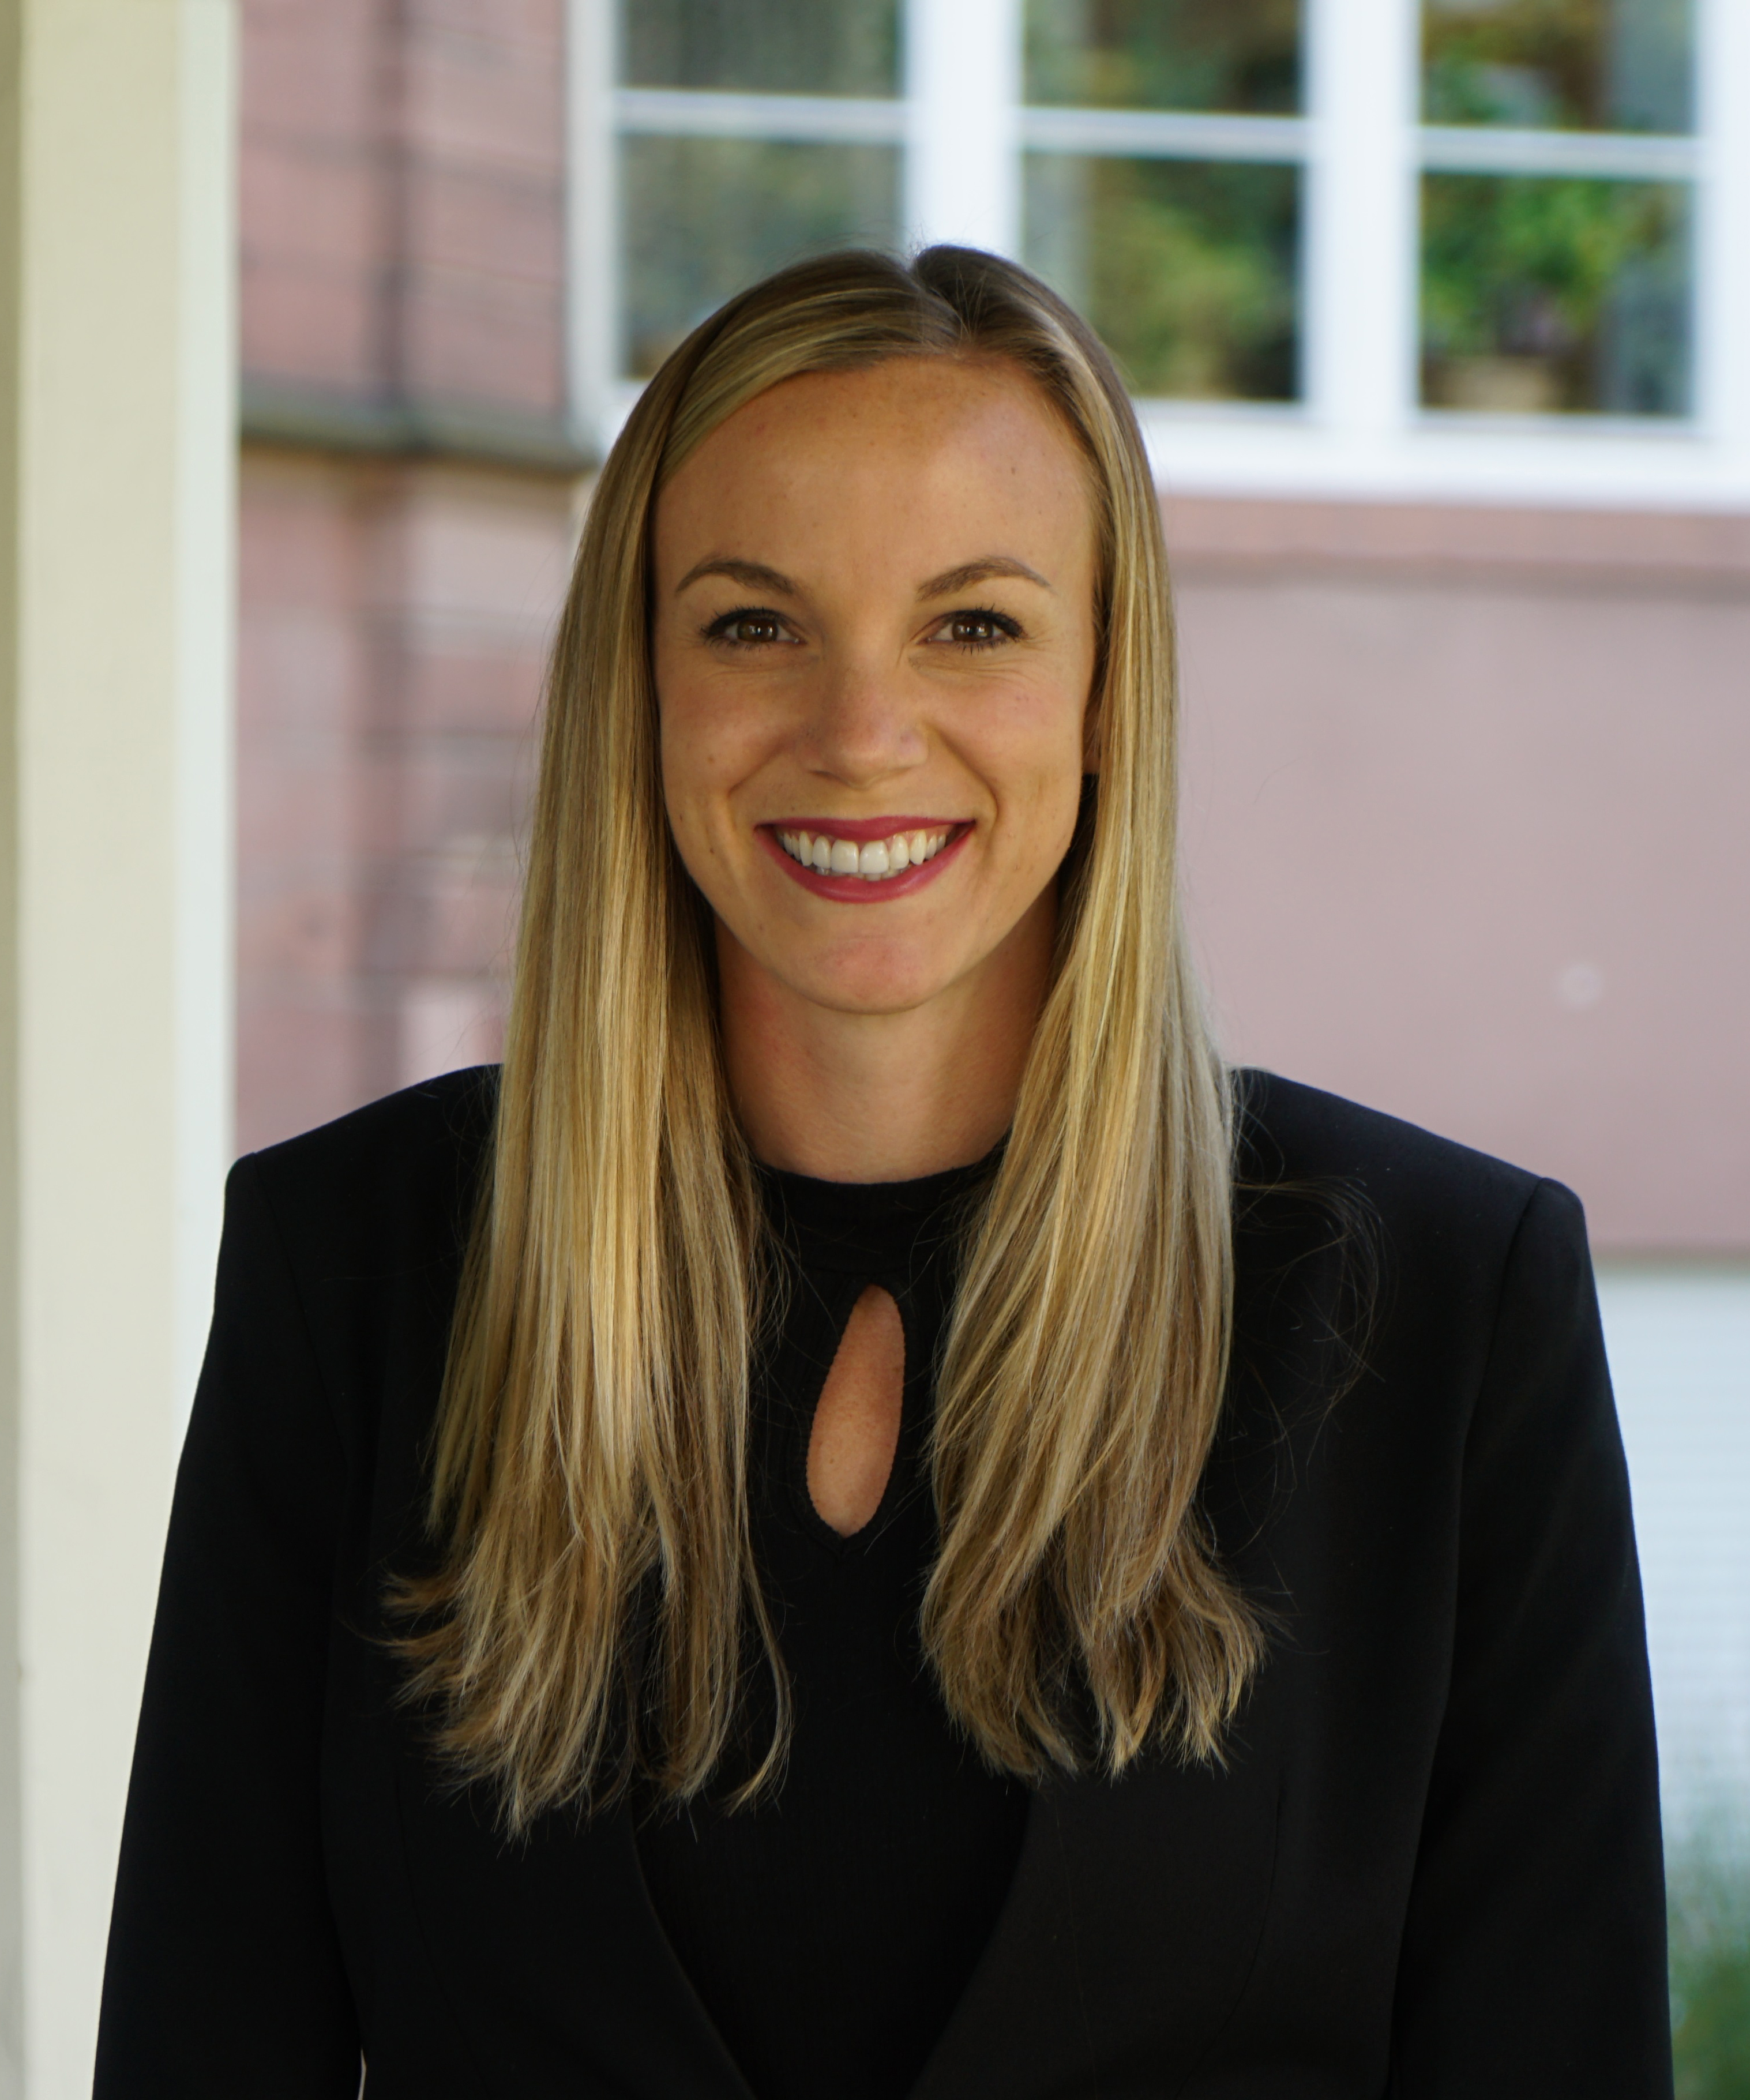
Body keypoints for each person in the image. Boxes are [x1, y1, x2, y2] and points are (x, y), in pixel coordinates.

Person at [94, 247, 1671, 2099]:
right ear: (641, 683)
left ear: (1104, 691)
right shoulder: (350, 1270)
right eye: (753, 622)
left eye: (974, 624)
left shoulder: (1445, 1298)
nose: (858, 733)